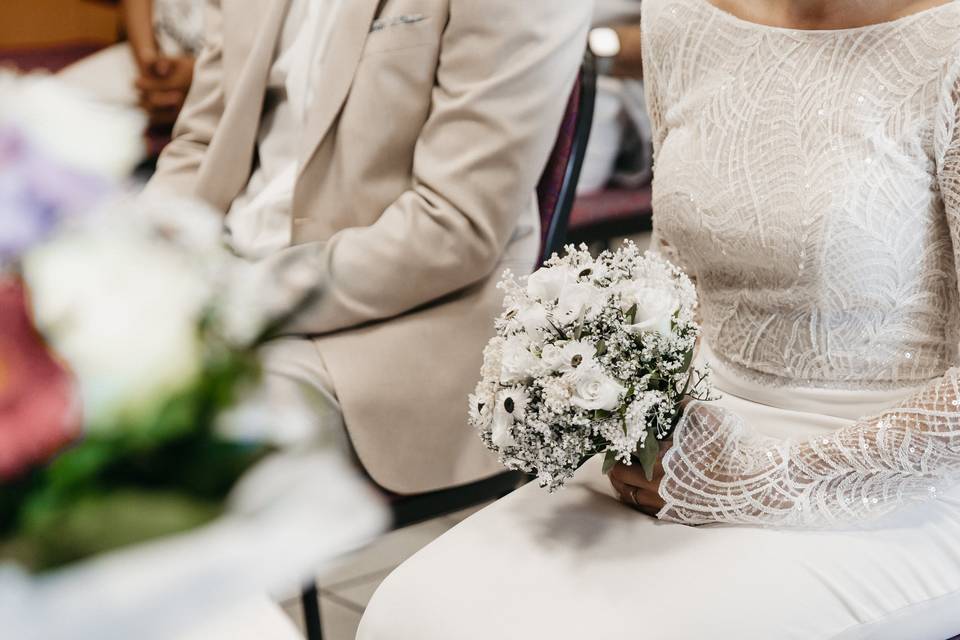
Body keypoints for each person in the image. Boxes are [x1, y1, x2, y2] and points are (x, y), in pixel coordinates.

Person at [358, 0, 960, 637]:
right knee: (410, 614)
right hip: (691, 444)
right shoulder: (681, 17)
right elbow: (679, 276)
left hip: (905, 483)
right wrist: (626, 403)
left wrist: (759, 480)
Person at [142, 0, 593, 495]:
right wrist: (128, 263)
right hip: (221, 273)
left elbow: (453, 228)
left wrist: (234, 301)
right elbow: (200, 145)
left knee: (167, 437)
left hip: (397, 317)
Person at [60, 0, 202, 126]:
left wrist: (199, 77)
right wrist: (147, 61)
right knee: (54, 106)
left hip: (215, 74)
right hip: (155, 55)